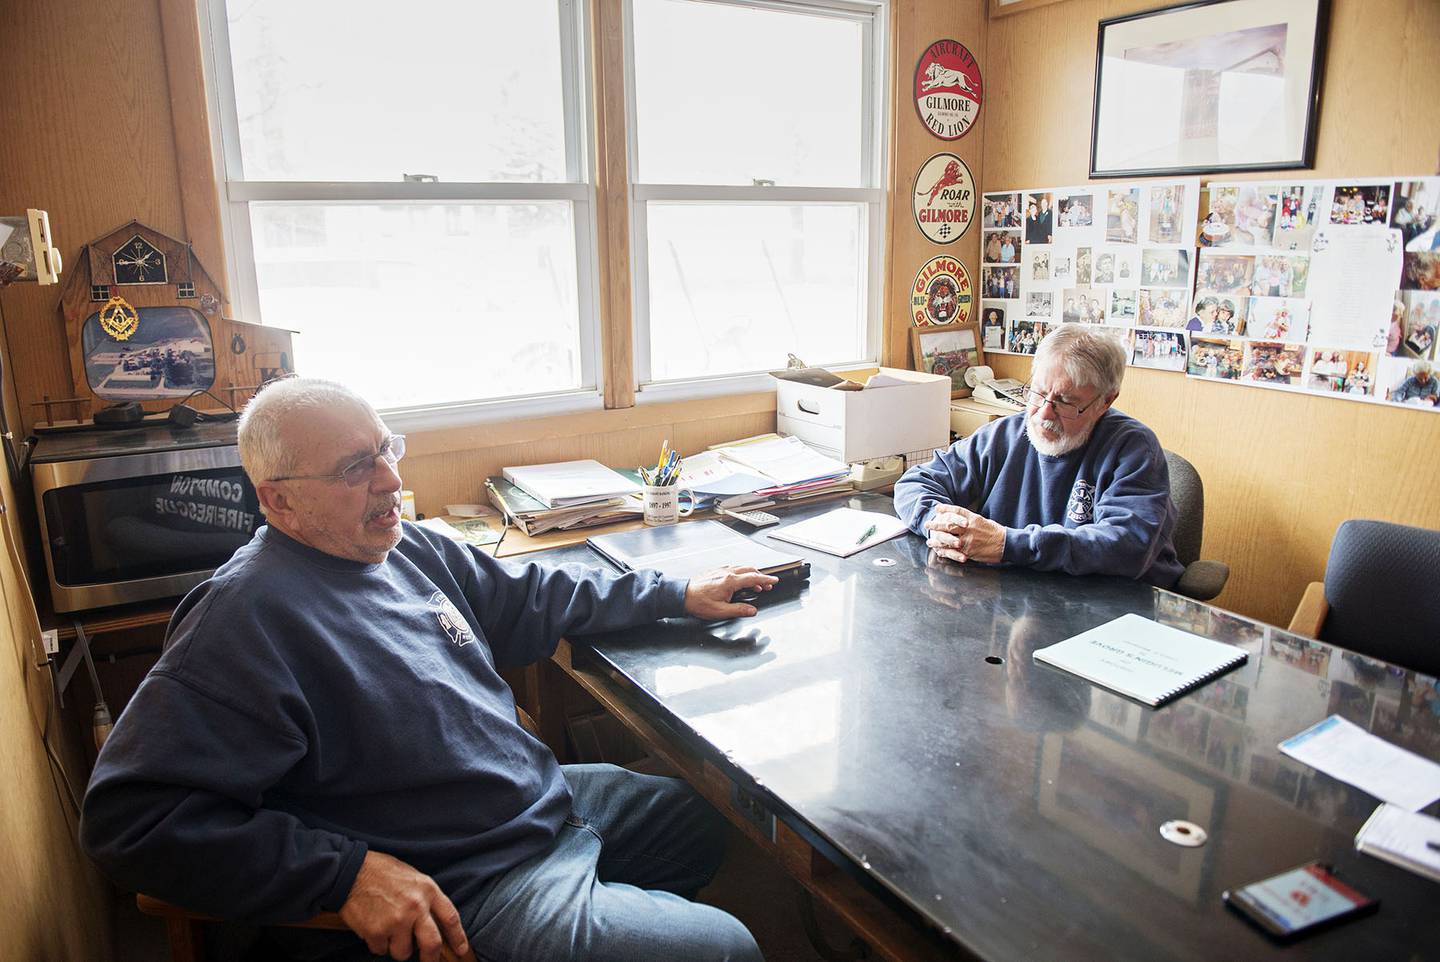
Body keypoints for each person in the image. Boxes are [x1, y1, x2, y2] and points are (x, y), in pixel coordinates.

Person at [81, 378, 774, 962]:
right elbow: (131, 820)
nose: (390, 480)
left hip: (531, 806)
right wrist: (347, 875)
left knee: (704, 820)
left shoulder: (403, 545)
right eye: (355, 468)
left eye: (386, 449)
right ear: (278, 500)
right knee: (726, 947)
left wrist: (674, 594)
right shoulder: (243, 620)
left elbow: (529, 597)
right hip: (465, 876)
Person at [895, 325, 1182, 588]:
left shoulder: (1133, 448)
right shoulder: (1006, 433)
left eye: (1065, 402)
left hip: (1110, 607)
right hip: (1019, 595)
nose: (1043, 414)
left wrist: (1007, 544)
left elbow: (1126, 546)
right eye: (1037, 393)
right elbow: (915, 482)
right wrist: (937, 523)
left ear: (1105, 401)